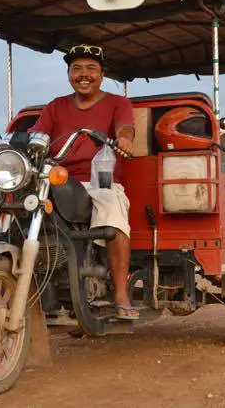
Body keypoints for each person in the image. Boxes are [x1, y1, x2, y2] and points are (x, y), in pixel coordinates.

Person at [28, 43, 139, 320]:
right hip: (57, 180)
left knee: (113, 211)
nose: (83, 74)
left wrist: (125, 139)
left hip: (99, 181)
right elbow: (37, 135)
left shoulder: (118, 103)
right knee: (21, 205)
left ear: (101, 74)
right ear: (69, 75)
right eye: (76, 69)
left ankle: (121, 293)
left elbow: (126, 127)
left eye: (91, 68)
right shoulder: (56, 106)